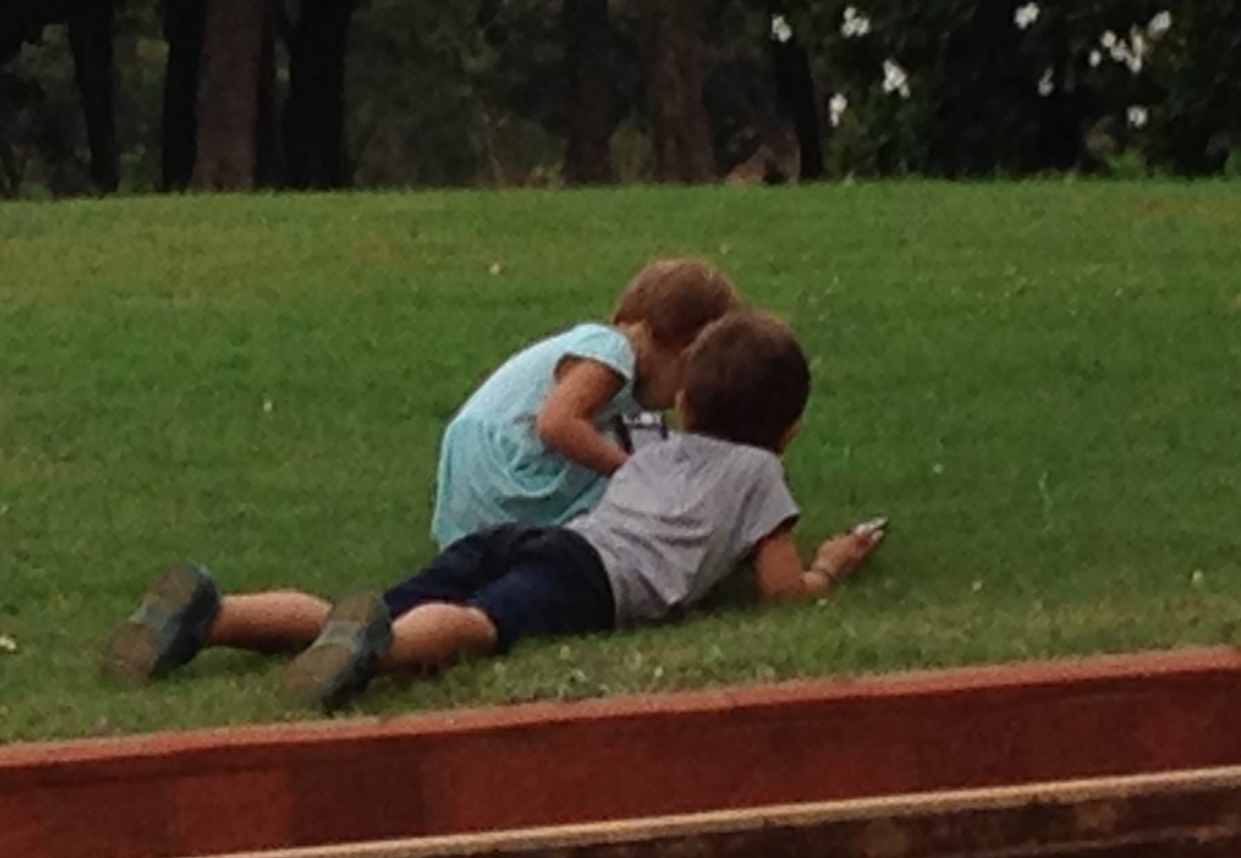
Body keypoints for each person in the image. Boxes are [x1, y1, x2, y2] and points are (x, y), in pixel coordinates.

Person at [105, 311, 885, 711]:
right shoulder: (760, 473)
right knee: (479, 625)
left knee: (364, 608)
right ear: (790, 431)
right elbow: (780, 589)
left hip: (524, 536)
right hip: (588, 576)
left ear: (684, 404)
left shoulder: (658, 446)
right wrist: (828, 567)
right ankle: (377, 654)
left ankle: (215, 616)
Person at [428, 257, 739, 548]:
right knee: (628, 469)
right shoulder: (612, 350)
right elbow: (556, 423)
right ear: (675, 344)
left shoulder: (617, 368)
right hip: (504, 464)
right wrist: (635, 473)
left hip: (480, 470)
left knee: (640, 450)